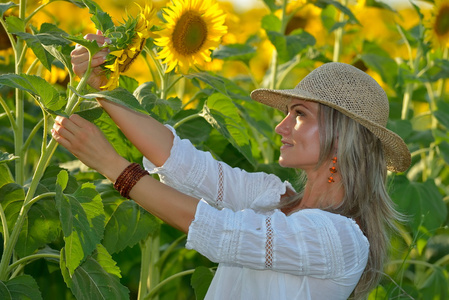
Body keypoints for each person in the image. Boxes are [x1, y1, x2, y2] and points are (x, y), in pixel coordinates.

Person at [52, 33, 411, 300]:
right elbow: (184, 162)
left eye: (299, 115)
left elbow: (223, 232)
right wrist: (103, 87)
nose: (281, 127)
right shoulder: (273, 197)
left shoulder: (340, 240)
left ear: (340, 136)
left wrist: (113, 166)